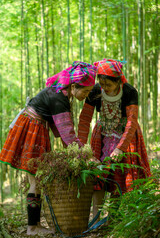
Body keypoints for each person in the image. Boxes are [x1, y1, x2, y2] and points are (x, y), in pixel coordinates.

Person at [0, 61, 97, 236]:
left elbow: (60, 131)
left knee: (36, 181)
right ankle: (32, 228)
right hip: (32, 130)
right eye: (86, 91)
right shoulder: (59, 97)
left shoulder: (61, 92)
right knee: (35, 181)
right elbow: (67, 135)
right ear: (74, 86)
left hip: (35, 127)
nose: (87, 95)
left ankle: (34, 225)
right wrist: (85, 156)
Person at [78, 58, 151, 221]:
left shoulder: (130, 92)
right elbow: (84, 120)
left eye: (109, 85)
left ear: (118, 81)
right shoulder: (94, 90)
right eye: (102, 84)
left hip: (126, 136)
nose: (105, 88)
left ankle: (113, 217)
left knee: (119, 174)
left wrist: (120, 148)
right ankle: (95, 218)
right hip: (102, 135)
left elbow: (132, 122)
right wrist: (82, 148)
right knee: (98, 174)